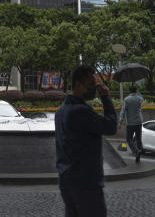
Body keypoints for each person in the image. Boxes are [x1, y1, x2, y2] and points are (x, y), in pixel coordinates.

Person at [55, 64, 117, 217]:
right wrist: (106, 98)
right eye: (90, 84)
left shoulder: (60, 111)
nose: (94, 88)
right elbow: (111, 126)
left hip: (66, 179)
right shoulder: (81, 111)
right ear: (78, 85)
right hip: (86, 182)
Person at [118, 85, 144, 161]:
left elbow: (122, 112)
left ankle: (136, 151)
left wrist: (120, 122)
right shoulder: (139, 98)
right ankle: (138, 155)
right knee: (139, 139)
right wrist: (138, 93)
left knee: (129, 139)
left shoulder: (126, 99)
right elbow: (141, 99)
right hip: (139, 121)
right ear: (136, 90)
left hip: (130, 123)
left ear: (129, 91)